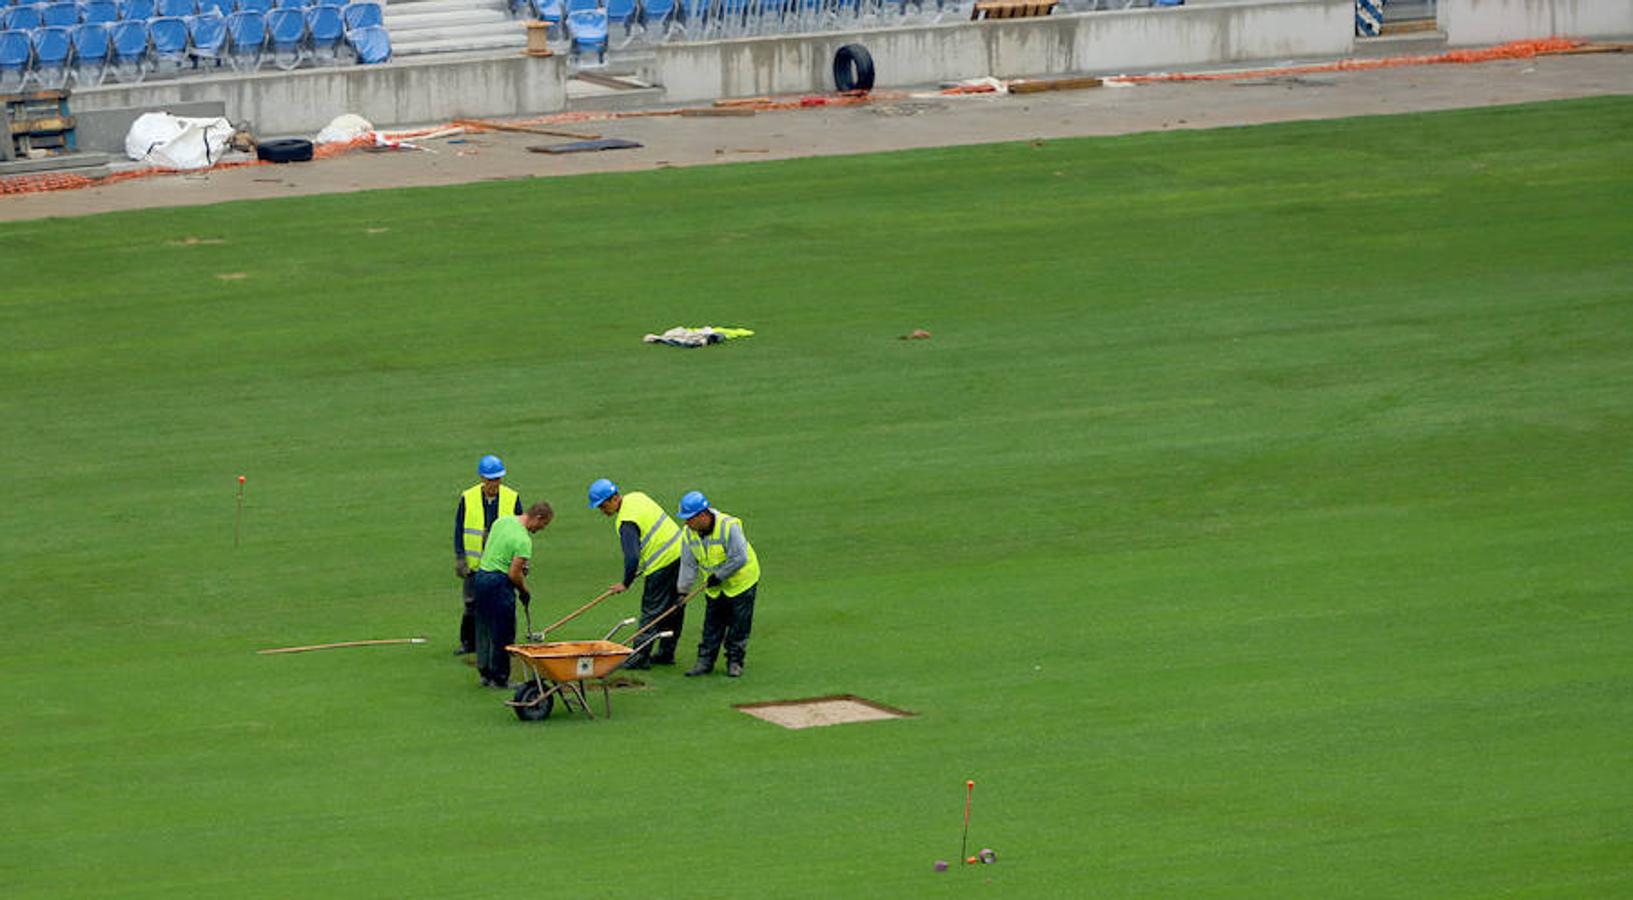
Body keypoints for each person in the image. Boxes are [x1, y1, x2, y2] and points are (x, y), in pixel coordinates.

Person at [588, 478, 685, 669]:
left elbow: (632, 557)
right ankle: (666, 653)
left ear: (613, 499)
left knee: (652, 611)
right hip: (682, 553)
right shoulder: (637, 496)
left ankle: (639, 657)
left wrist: (626, 583)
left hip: (662, 563)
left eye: (602, 506)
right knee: (674, 607)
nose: (602, 511)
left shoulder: (625, 521)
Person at [675, 491, 761, 678]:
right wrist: (682, 592)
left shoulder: (728, 527)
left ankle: (735, 661)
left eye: (689, 519)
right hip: (715, 587)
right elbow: (688, 564)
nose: (686, 523)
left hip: (741, 582)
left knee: (739, 625)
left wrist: (719, 575)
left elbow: (739, 557)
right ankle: (704, 661)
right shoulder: (688, 534)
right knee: (712, 624)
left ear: (702, 515)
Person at [470, 500, 553, 688]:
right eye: (543, 524)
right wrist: (525, 591)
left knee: (484, 627)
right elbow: (514, 574)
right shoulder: (524, 541)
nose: (541, 529)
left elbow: (496, 547)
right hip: (498, 584)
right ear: (538, 518)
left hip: (482, 577)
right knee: (503, 631)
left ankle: (485, 673)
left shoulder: (502, 521)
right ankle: (499, 678)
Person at [452, 454, 522, 655]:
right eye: (491, 479)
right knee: (471, 604)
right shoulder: (468, 497)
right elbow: (459, 528)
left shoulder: (512, 497)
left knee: (505, 604)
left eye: (498, 479)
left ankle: (507, 643)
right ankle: (469, 642)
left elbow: (520, 530)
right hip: (476, 563)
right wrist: (460, 557)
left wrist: (521, 561)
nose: (495, 483)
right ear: (482, 478)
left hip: (502, 564)